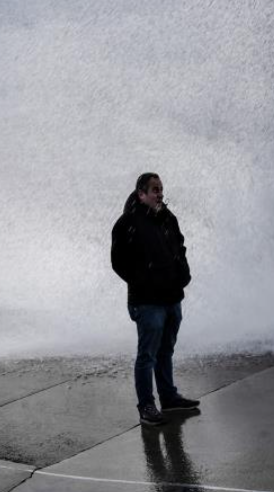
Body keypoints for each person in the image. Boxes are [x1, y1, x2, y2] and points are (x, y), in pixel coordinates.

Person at [111, 172, 200, 426]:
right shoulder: (128, 222)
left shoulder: (167, 218)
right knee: (147, 355)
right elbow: (118, 262)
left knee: (166, 350)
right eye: (154, 190)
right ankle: (146, 407)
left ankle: (168, 398)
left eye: (161, 189)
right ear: (141, 194)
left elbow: (180, 247)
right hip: (147, 301)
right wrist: (145, 282)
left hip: (172, 297)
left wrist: (183, 275)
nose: (159, 194)